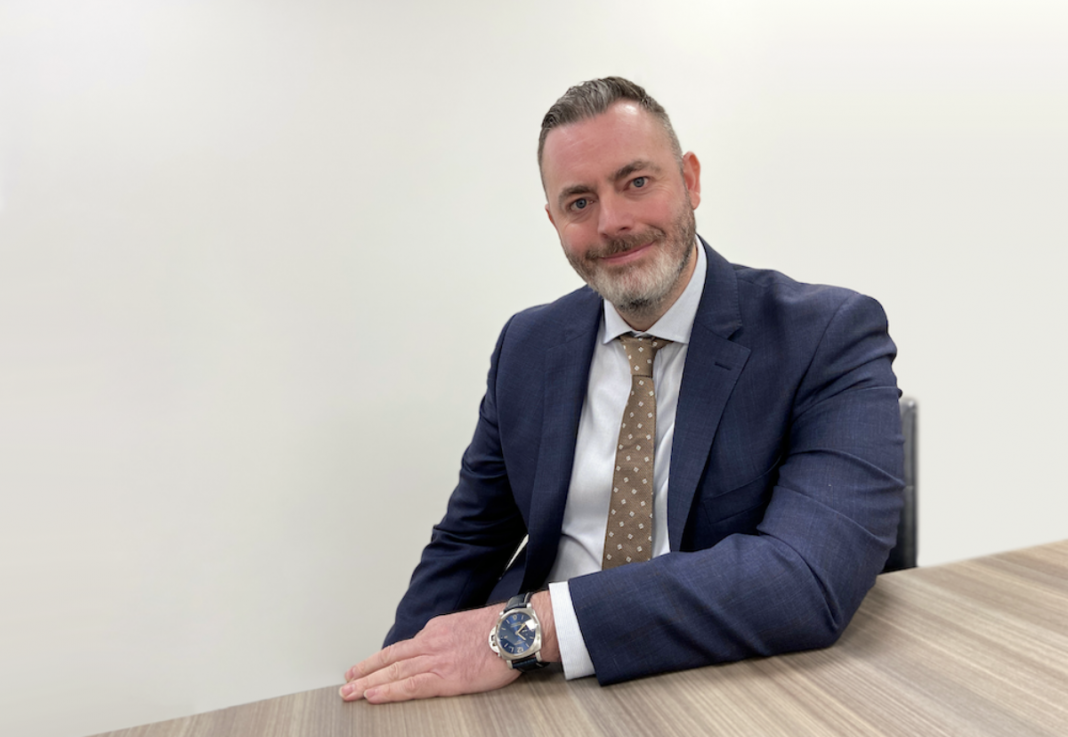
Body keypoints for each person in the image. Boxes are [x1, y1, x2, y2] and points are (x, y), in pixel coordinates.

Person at [340, 77, 904, 704]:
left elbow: (803, 578)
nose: (612, 223)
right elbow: (467, 544)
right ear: (554, 220)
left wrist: (534, 627)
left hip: (711, 680)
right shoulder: (528, 346)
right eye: (579, 202)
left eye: (636, 182)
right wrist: (394, 678)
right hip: (532, 687)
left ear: (690, 180)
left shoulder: (826, 336)